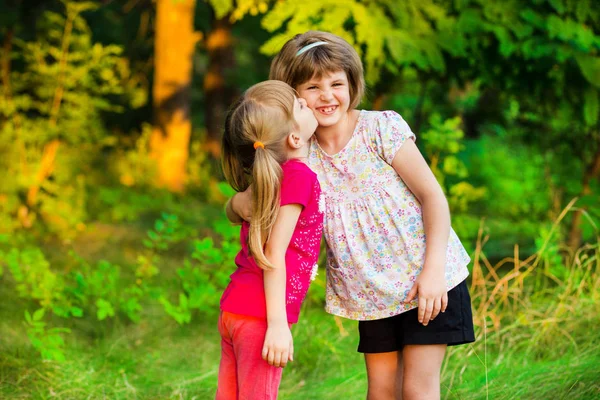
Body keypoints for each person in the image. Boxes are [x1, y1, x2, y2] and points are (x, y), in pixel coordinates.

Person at [227, 31, 475, 400]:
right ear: (292, 100)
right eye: (312, 87)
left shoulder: (380, 130)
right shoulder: (298, 154)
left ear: (352, 84)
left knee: (418, 389)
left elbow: (432, 197)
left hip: (427, 280)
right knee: (381, 391)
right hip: (370, 295)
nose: (327, 95)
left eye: (336, 83)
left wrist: (433, 271)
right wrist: (237, 205)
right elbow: (244, 202)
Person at [216, 80, 323, 399]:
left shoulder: (272, 173)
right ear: (293, 136)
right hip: (260, 316)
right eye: (300, 105)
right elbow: (274, 253)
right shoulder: (298, 177)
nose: (307, 103)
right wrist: (277, 325)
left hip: (236, 308)